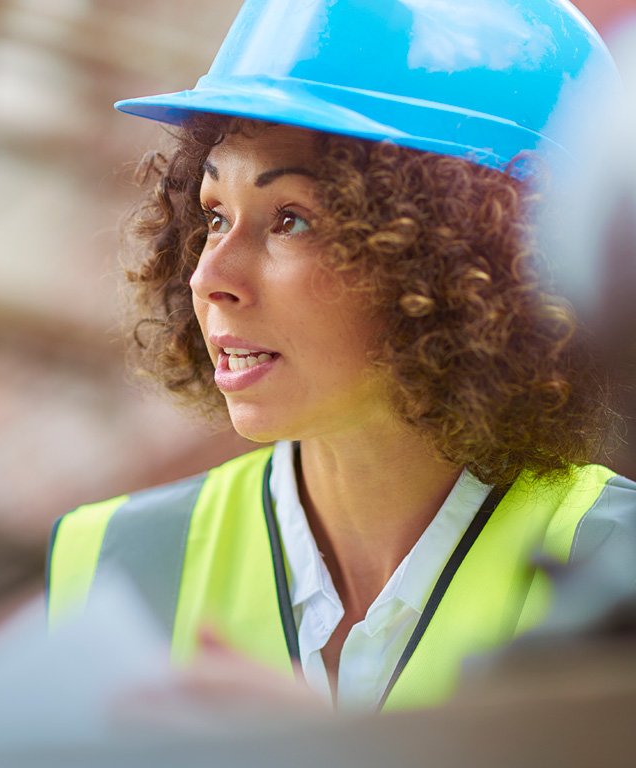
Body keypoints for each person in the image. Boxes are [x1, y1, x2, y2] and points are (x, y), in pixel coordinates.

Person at [46, 0, 636, 713]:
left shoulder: (617, 561)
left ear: (463, 255)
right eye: (213, 216)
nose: (208, 277)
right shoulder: (107, 563)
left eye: (289, 219)